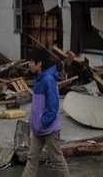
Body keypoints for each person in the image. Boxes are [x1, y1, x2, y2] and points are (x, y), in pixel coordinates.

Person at [22, 48, 70, 177]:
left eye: (32, 61)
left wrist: (42, 123)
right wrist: (36, 123)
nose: (29, 64)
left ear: (39, 64)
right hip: (39, 129)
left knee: (57, 159)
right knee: (32, 157)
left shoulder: (48, 79)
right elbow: (38, 105)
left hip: (49, 129)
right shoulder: (39, 78)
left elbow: (53, 107)